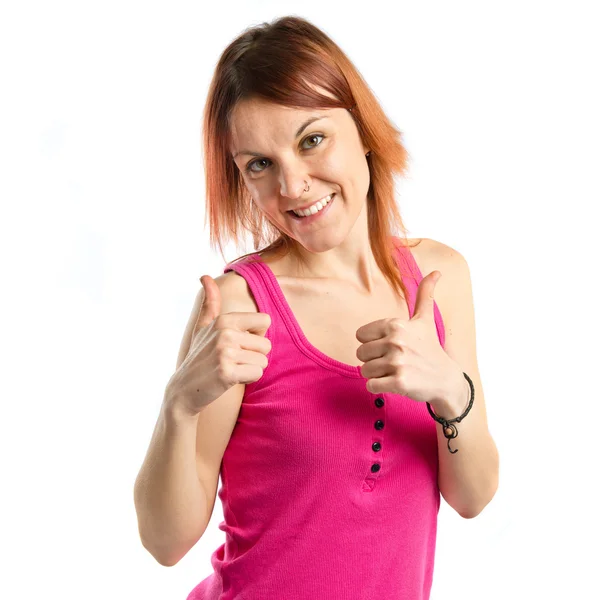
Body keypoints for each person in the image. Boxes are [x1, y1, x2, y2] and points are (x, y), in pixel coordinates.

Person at [133, 15, 499, 600]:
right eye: (260, 164)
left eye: (311, 140)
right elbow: (164, 541)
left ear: (362, 128)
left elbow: (472, 497)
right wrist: (178, 405)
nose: (295, 186)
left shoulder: (440, 279)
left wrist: (451, 393)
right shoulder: (239, 308)